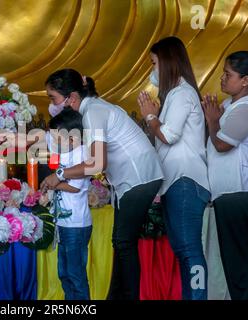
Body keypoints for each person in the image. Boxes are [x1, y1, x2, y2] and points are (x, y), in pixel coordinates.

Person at [40, 68, 164, 300]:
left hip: (139, 177)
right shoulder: (93, 109)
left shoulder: (93, 112)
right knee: (121, 242)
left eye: (52, 98)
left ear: (72, 98)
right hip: (131, 180)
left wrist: (60, 174)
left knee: (124, 242)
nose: (52, 104)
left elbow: (97, 163)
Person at [137, 36, 210, 300]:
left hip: (186, 181)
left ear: (168, 62)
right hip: (177, 182)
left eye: (154, 63)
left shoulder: (182, 93)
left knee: (189, 249)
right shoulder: (175, 95)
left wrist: (149, 116)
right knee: (183, 250)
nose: (151, 70)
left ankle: (198, 297)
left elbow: (168, 135)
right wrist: (154, 117)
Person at [202, 51, 248, 300]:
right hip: (230, 193)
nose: (222, 78)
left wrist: (212, 121)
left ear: (245, 81)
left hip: (241, 192)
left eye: (228, 74)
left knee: (240, 262)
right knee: (235, 262)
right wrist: (213, 120)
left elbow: (222, 145)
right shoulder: (229, 105)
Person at [45, 107, 92, 300]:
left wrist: (53, 184)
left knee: (75, 274)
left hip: (76, 225)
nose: (54, 142)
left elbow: (75, 187)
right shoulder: (65, 152)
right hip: (63, 224)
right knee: (64, 273)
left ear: (72, 138)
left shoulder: (81, 153)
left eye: (57, 139)